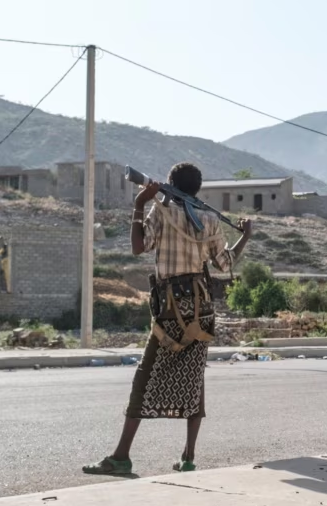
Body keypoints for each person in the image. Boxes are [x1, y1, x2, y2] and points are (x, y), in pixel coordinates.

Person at [82, 162, 252, 476]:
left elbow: (137, 247)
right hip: (201, 311)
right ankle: (188, 457)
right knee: (193, 379)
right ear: (197, 189)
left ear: (170, 185)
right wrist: (245, 236)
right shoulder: (210, 219)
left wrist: (139, 203)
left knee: (144, 379)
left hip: (171, 310)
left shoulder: (161, 212)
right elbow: (224, 263)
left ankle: (121, 457)